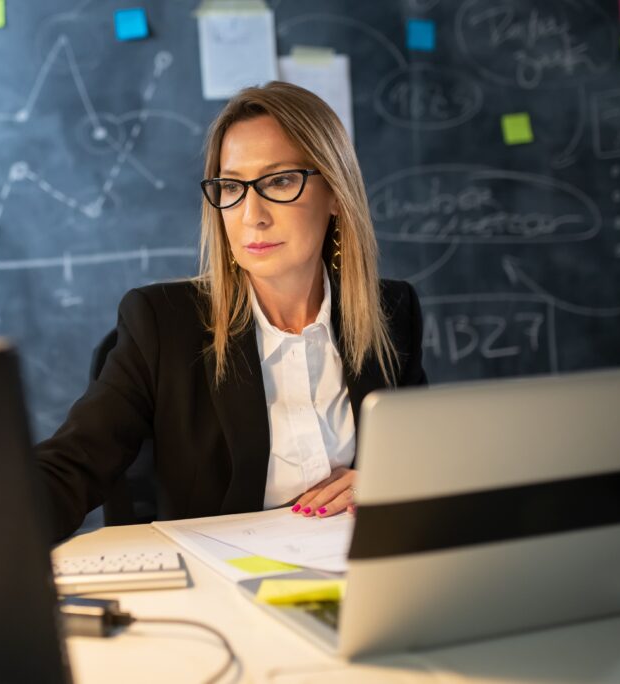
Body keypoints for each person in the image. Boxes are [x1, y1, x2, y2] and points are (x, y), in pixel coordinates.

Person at [36, 81, 427, 542]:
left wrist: (390, 486)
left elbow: (423, 458)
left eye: (280, 181)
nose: (251, 214)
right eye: (231, 186)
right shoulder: (162, 324)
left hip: (361, 577)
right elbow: (71, 465)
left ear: (336, 194)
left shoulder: (391, 312)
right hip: (221, 594)